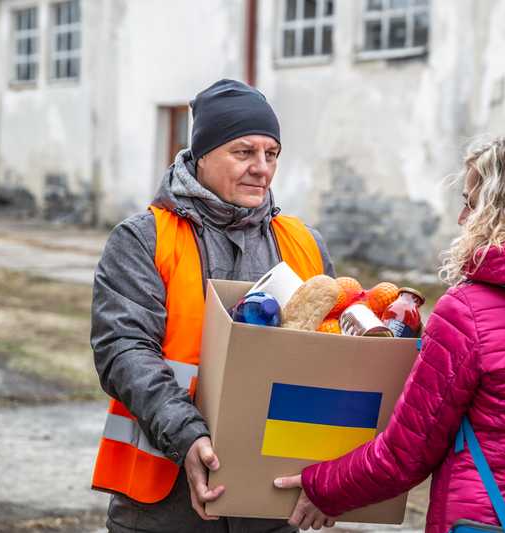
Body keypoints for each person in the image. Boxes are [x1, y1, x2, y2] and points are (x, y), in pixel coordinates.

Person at [274, 135, 505, 532]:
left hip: (487, 520)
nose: (463, 218)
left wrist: (320, 487)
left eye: (470, 202)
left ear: (501, 208)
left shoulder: (468, 312)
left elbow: (405, 455)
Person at [90, 79, 335, 533]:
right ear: (201, 155)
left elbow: (331, 361)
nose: (261, 168)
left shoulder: (304, 244)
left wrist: (334, 477)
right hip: (164, 503)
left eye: (271, 154)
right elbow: (124, 351)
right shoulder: (144, 238)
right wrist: (188, 436)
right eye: (243, 152)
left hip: (272, 504)